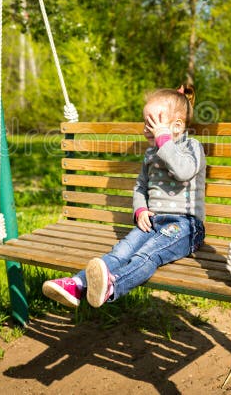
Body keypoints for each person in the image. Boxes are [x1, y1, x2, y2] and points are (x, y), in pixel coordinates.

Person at [42, 85, 206, 308]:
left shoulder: (192, 147)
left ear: (177, 126)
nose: (147, 129)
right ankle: (77, 284)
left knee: (147, 255)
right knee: (120, 252)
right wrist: (140, 210)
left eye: (153, 124)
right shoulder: (150, 154)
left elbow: (183, 171)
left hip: (185, 226)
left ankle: (112, 286)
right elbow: (140, 187)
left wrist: (164, 141)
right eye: (145, 123)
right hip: (152, 222)